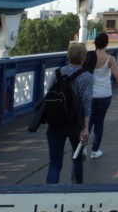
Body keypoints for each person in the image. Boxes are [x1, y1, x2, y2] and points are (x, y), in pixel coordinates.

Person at [45, 42, 93, 184]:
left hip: (55, 123)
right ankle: (76, 190)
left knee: (54, 164)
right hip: (75, 124)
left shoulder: (57, 73)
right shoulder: (87, 77)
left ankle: (49, 192)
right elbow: (86, 102)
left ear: (68, 56)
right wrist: (85, 128)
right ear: (84, 58)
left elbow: (49, 96)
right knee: (77, 159)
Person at [85, 33, 118, 159]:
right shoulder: (110, 59)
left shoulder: (89, 56)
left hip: (90, 94)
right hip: (105, 94)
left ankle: (82, 147)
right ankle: (95, 150)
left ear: (95, 43)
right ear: (106, 44)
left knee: (87, 122)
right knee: (99, 123)